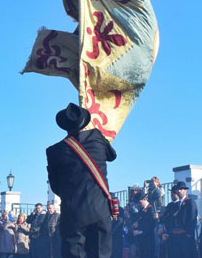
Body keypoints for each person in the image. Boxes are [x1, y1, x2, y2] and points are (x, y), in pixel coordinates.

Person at [46, 103, 117, 258]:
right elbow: (112, 156)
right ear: (84, 122)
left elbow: (56, 187)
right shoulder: (97, 137)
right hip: (99, 210)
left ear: (65, 126)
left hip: (73, 213)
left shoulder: (54, 151)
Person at [164, 182, 197, 257]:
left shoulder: (190, 202)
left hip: (185, 238)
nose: (179, 191)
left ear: (185, 191)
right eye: (178, 189)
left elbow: (191, 220)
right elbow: (171, 220)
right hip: (174, 238)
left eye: (181, 189)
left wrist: (188, 235)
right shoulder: (175, 205)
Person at [132, 192, 155, 258]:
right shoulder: (141, 210)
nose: (139, 204)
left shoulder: (150, 209)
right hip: (141, 240)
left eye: (140, 202)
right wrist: (136, 224)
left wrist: (140, 232)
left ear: (145, 199)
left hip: (148, 240)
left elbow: (151, 225)